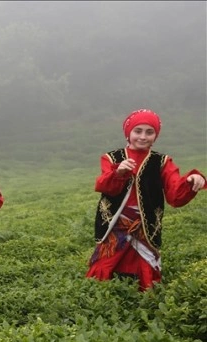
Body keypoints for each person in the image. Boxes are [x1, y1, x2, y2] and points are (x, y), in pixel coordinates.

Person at [86, 108, 206, 291]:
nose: (143, 137)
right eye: (138, 131)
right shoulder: (112, 158)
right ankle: (100, 295)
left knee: (145, 264)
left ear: (155, 136)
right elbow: (104, 186)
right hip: (116, 221)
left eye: (149, 132)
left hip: (146, 222)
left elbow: (175, 194)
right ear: (128, 133)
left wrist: (191, 182)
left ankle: (145, 296)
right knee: (106, 261)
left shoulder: (162, 161)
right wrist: (118, 172)